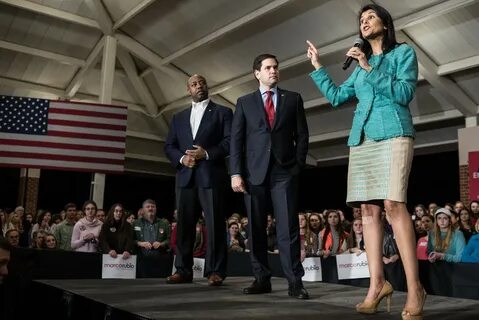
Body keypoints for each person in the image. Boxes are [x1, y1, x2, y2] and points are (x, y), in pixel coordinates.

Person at [306, 4, 424, 318]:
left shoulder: (402, 54)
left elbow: (403, 93)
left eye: (370, 16)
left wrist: (371, 69)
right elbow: (335, 96)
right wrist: (318, 67)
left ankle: (415, 289)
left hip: (395, 133)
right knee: (368, 211)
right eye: (361, 19)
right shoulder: (360, 67)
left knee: (392, 204)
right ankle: (377, 284)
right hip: (362, 140)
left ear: (385, 24)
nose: (365, 21)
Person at [230, 53, 309, 299]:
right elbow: (236, 141)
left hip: (284, 172)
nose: (273, 71)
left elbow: (302, 136)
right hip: (253, 175)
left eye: (276, 67)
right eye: (268, 68)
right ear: (257, 73)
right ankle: (261, 279)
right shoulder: (244, 102)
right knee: (255, 229)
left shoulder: (293, 99)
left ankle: (295, 282)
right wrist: (235, 173)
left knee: (288, 228)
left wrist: (297, 166)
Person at [164, 74, 232, 287]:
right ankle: (183, 270)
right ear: (188, 90)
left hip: (211, 176)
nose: (199, 86)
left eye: (202, 82)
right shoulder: (178, 117)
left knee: (214, 225)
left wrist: (208, 153)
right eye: (194, 84)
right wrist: (182, 159)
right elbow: (169, 146)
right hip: (185, 177)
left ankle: (215, 271)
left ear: (207, 86)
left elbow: (230, 141)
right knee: (184, 226)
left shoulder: (223, 112)